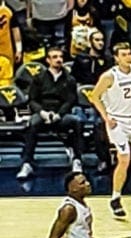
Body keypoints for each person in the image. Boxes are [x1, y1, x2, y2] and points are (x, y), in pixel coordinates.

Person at [88, 42, 131, 218]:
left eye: (129, 53)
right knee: (124, 159)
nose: (128, 57)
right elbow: (94, 97)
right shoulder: (110, 76)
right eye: (123, 54)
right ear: (116, 58)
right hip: (118, 122)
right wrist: (106, 117)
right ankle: (115, 197)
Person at [16, 46, 84, 180]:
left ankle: (77, 160)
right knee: (32, 124)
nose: (59, 60)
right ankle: (27, 163)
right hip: (43, 113)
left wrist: (59, 114)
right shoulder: (38, 78)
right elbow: (32, 100)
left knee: (77, 122)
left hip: (61, 114)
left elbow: (71, 100)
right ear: (48, 60)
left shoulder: (70, 79)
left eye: (60, 57)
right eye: (55, 57)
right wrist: (42, 113)